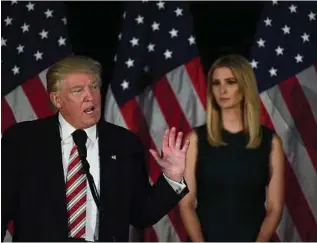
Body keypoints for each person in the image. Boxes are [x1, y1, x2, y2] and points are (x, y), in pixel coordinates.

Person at [1, 55, 190, 242]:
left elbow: (141, 214)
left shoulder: (124, 143)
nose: (89, 97)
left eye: (93, 87)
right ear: (57, 100)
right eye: (78, 90)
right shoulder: (23, 141)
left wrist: (172, 178)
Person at [179, 54, 285, 242]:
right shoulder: (195, 140)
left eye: (230, 82)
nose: (222, 90)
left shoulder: (271, 143)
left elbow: (275, 208)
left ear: (245, 87)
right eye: (216, 83)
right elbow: (186, 203)